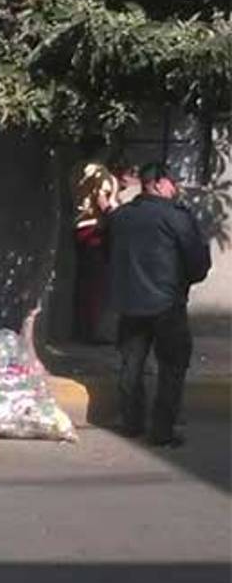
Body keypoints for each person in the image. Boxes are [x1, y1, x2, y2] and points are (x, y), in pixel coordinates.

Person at [105, 162, 210, 446]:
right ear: (160, 183)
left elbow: (108, 255)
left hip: (130, 303)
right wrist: (184, 282)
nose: (175, 189)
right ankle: (162, 430)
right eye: (172, 183)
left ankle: (131, 422)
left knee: (131, 364)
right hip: (167, 304)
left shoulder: (120, 217)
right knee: (172, 367)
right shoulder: (176, 217)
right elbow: (197, 262)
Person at [70, 142, 119, 342]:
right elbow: (101, 199)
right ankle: (92, 331)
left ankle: (81, 327)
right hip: (96, 228)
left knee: (85, 281)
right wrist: (117, 217)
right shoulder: (100, 172)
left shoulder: (77, 169)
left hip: (80, 225)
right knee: (96, 283)